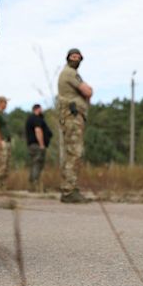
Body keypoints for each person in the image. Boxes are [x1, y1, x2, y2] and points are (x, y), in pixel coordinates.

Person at [57, 48, 93, 203]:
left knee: (72, 152)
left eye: (79, 57)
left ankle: (69, 188)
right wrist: (88, 90)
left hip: (73, 118)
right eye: (73, 56)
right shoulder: (70, 73)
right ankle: (69, 190)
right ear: (68, 58)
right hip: (72, 117)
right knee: (74, 152)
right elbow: (88, 91)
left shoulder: (71, 73)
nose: (76, 59)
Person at [25, 104, 53, 192]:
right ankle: (35, 186)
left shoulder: (31, 118)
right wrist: (41, 145)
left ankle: (33, 186)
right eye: (41, 109)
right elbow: (38, 131)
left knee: (34, 164)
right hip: (37, 145)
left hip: (32, 145)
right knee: (37, 164)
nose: (42, 110)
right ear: (38, 109)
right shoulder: (36, 118)